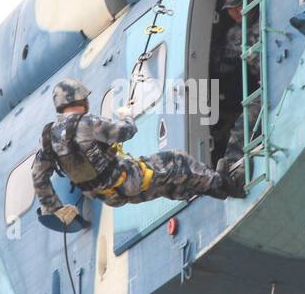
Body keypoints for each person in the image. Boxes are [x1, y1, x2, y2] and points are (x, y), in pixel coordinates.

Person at [33, 79, 243, 226]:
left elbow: (38, 176)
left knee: (168, 186)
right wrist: (127, 116)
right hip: (127, 180)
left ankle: (212, 190)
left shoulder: (48, 138)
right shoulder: (86, 122)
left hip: (110, 197)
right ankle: (222, 183)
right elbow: (126, 131)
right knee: (176, 160)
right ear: (80, 100)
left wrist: (54, 208)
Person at [212, 0, 262, 175]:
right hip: (263, 87)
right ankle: (233, 171)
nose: (236, 12)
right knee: (244, 124)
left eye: (239, 6)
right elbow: (222, 65)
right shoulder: (235, 35)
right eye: (231, 10)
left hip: (282, 73)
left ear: (251, 1)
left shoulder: (270, 14)